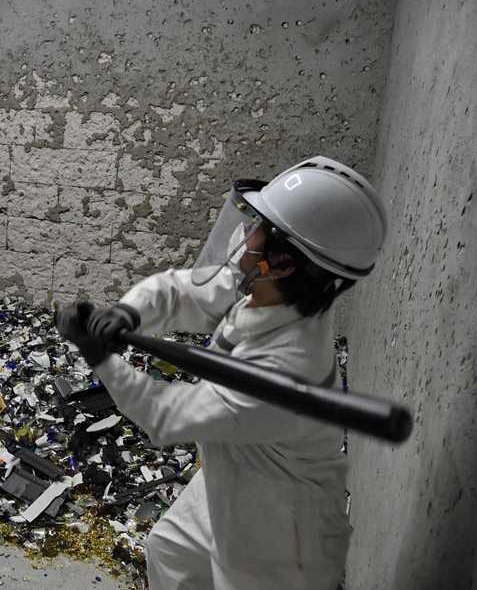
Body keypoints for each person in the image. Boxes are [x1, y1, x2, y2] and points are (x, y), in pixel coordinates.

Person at [57, 156, 387, 590]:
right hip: (236, 475)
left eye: (258, 230)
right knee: (170, 551)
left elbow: (166, 417)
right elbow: (183, 292)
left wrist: (98, 356)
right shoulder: (267, 289)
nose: (245, 235)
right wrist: (128, 311)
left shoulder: (288, 366)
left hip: (278, 524)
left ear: (284, 262)